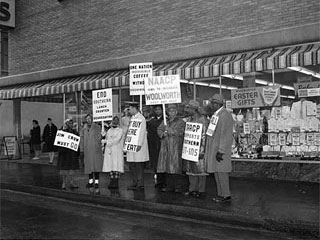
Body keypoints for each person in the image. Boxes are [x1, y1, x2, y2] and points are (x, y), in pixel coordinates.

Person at [205, 94, 234, 203]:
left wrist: (221, 151)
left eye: (213, 103)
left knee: (222, 172)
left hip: (220, 150)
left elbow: (226, 135)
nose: (211, 105)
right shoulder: (216, 115)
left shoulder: (225, 115)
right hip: (214, 148)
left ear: (218, 104)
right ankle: (221, 194)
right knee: (217, 172)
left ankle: (226, 195)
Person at [157, 104, 186, 193]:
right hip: (165, 146)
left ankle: (178, 186)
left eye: (173, 111)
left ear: (176, 112)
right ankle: (169, 186)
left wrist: (169, 131)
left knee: (175, 167)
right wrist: (162, 134)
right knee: (167, 167)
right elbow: (159, 129)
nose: (171, 113)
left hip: (175, 147)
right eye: (170, 111)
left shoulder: (181, 121)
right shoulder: (166, 121)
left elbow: (181, 131)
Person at [183, 100, 209, 198]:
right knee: (191, 169)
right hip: (190, 147)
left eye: (189, 108)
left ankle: (201, 190)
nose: (187, 110)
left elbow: (204, 136)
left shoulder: (203, 120)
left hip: (199, 148)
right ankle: (192, 189)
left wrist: (202, 150)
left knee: (200, 170)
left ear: (194, 109)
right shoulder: (189, 120)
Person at [126, 102, 149, 191]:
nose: (129, 110)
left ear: (134, 108)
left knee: (139, 165)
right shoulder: (132, 118)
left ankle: (140, 184)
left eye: (130, 109)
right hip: (131, 145)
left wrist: (139, 144)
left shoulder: (141, 118)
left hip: (138, 145)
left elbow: (142, 132)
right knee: (133, 165)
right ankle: (135, 182)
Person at [81, 114, 104, 194]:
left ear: (92, 119)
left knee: (96, 167)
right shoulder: (84, 128)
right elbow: (82, 139)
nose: (88, 120)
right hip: (87, 151)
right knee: (89, 167)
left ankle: (96, 182)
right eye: (87, 119)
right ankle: (90, 182)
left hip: (95, 151)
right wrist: (82, 149)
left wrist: (101, 137)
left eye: (89, 118)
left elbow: (98, 138)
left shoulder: (97, 127)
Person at [57, 119, 80, 190]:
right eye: (69, 123)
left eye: (71, 123)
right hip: (64, 154)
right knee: (64, 170)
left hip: (72, 154)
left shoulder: (75, 132)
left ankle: (72, 182)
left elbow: (77, 142)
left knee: (72, 169)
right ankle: (64, 183)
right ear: (66, 124)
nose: (71, 124)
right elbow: (59, 141)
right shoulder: (62, 132)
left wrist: (77, 152)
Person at [102, 116, 124, 189]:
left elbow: (117, 140)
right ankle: (111, 180)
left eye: (117, 120)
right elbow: (107, 137)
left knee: (116, 166)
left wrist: (107, 142)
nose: (115, 121)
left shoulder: (120, 130)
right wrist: (103, 136)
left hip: (117, 150)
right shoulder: (109, 130)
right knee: (111, 166)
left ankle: (116, 181)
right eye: (114, 120)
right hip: (110, 151)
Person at [147, 105, 166, 189]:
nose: (158, 111)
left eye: (159, 109)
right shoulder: (151, 121)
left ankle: (165, 181)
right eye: (156, 109)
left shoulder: (165, 121)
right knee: (156, 163)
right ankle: (159, 180)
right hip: (154, 144)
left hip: (163, 144)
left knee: (163, 162)